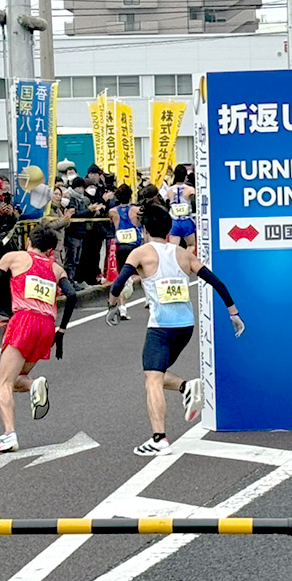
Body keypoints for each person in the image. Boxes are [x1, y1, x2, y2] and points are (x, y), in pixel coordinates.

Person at [107, 205, 244, 455]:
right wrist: (233, 312)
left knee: (152, 381)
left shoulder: (140, 253)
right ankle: (186, 386)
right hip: (185, 327)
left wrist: (112, 306)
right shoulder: (184, 254)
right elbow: (217, 282)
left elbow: (118, 284)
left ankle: (159, 438)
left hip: (160, 327)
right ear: (170, 229)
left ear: (145, 229)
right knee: (154, 374)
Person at [0, 226, 77, 453]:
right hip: (47, 325)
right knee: (19, 378)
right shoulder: (56, 269)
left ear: (29, 241)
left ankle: (9, 434)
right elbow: (72, 295)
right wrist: (62, 330)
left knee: (4, 382)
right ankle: (34, 385)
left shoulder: (13, 258)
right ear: (50, 250)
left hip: (24, 320)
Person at [109, 184, 142, 319]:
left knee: (123, 276)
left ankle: (123, 308)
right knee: (143, 273)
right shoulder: (136, 210)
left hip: (121, 246)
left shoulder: (112, 212)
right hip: (134, 246)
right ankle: (150, 301)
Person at [166, 164, 196, 248]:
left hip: (174, 221)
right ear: (185, 176)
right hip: (186, 220)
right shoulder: (190, 189)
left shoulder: (169, 190)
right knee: (191, 245)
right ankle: (185, 260)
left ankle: (176, 260)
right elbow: (194, 203)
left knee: (173, 248)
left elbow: (166, 205)